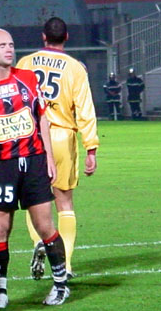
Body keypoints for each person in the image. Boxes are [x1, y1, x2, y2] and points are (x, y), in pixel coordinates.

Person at [0, 28, 69, 310]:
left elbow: (42, 118)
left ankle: (61, 285)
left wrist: (48, 155)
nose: (9, 49)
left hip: (33, 161)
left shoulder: (27, 79)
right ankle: (0, 292)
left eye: (11, 45)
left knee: (44, 225)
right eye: (2, 45)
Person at [16, 17, 99, 280]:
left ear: (43, 37)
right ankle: (67, 263)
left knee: (33, 201)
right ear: (66, 37)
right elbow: (85, 110)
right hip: (62, 136)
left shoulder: (24, 63)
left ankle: (39, 242)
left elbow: (14, 102)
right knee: (64, 202)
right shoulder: (75, 68)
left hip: (30, 138)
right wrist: (91, 148)